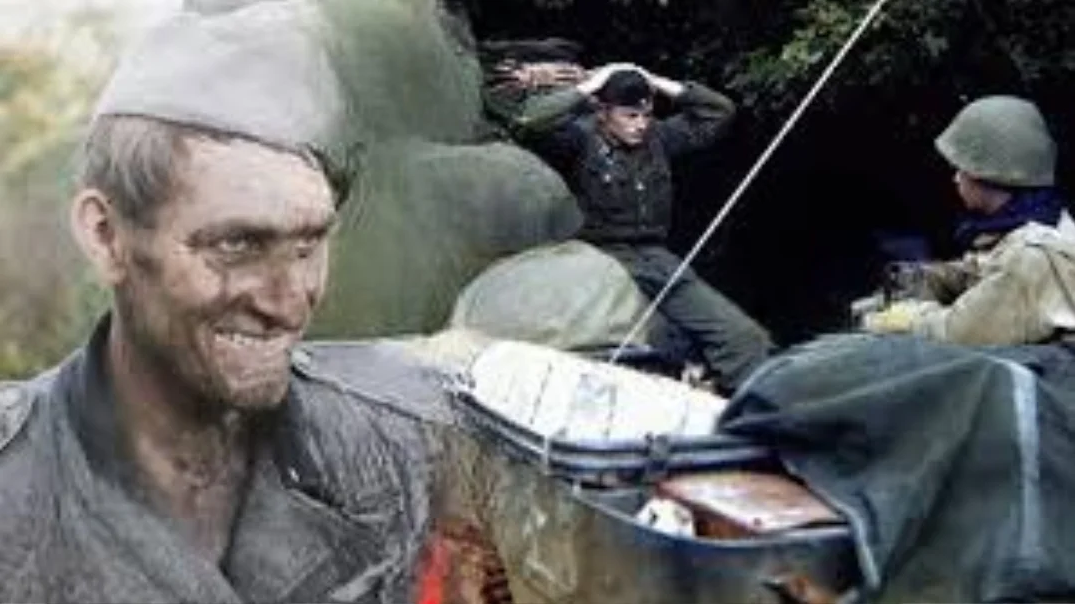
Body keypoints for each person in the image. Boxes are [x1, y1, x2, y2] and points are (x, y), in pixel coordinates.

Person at [0, 3, 491, 601]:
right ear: (106, 236)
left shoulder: (404, 440)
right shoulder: (14, 482)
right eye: (236, 245)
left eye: (308, 244)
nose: (289, 303)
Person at [512, 63, 773, 393]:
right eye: (630, 116)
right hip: (598, 257)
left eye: (646, 115)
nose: (640, 125)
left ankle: (745, 404)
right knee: (640, 344)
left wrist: (655, 80)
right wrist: (592, 85)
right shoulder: (580, 139)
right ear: (603, 112)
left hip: (653, 258)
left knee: (742, 337)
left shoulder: (659, 139)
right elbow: (528, 120)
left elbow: (719, 112)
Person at [863, 95, 1075, 345]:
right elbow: (982, 271)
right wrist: (923, 277)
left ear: (986, 173)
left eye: (961, 169)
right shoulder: (1041, 223)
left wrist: (906, 319)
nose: (956, 179)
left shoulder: (1033, 256)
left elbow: (960, 333)